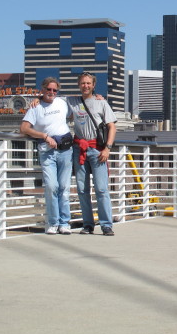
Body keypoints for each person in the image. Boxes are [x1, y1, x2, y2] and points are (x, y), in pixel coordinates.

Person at [20, 77, 73, 235]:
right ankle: (53, 222)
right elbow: (23, 128)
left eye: (54, 90)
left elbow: (79, 107)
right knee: (51, 187)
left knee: (64, 188)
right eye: (48, 89)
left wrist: (97, 97)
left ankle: (64, 223)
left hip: (65, 150)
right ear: (42, 90)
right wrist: (43, 135)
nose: (52, 92)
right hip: (46, 151)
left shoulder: (63, 103)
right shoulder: (35, 107)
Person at [69, 72, 118, 236]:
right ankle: (88, 224)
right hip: (79, 149)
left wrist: (107, 148)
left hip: (97, 150)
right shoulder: (72, 102)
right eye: (83, 83)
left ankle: (106, 225)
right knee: (82, 190)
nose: (86, 86)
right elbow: (51, 100)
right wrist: (37, 99)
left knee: (101, 189)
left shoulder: (101, 103)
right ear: (78, 84)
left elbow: (112, 126)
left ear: (93, 85)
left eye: (88, 83)